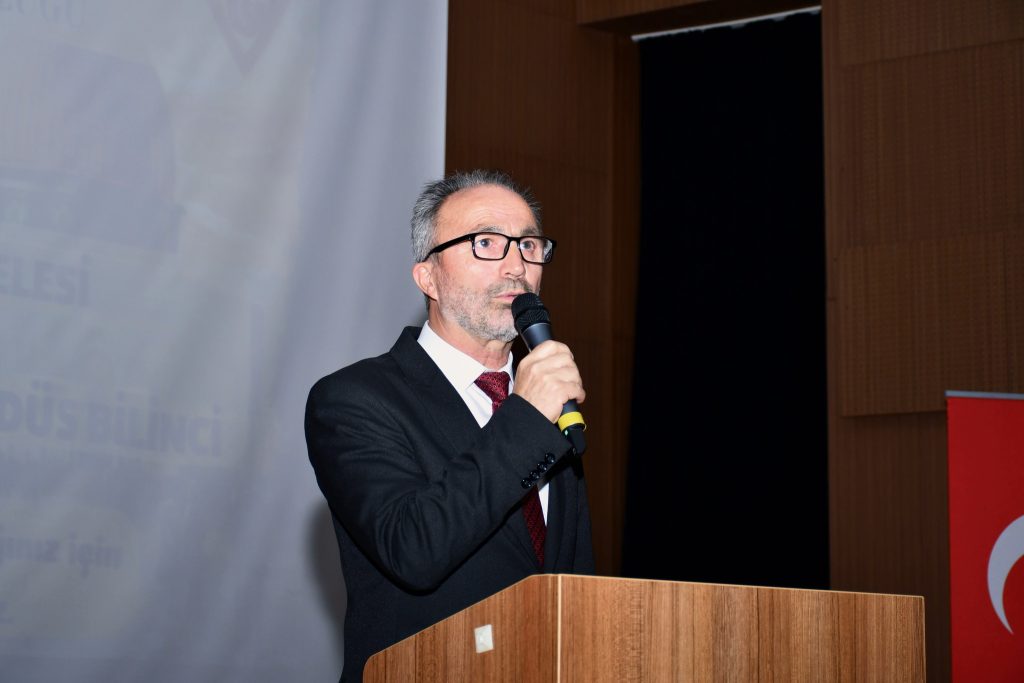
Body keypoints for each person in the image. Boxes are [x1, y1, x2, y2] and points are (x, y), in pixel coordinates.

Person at [304, 169, 595, 682]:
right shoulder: (353, 400)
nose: (516, 266)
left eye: (528, 245)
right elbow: (413, 548)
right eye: (486, 242)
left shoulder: (552, 404)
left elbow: (572, 583)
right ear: (428, 278)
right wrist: (526, 416)